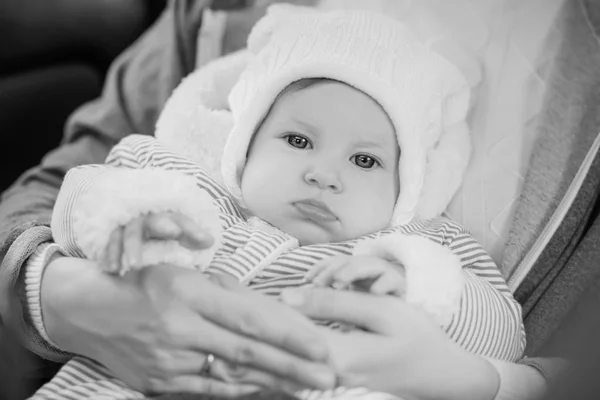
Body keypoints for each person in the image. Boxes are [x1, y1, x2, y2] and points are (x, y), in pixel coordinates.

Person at [0, 0, 598, 399]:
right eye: (297, 140)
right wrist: (121, 230)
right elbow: (81, 187)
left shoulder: (419, 246)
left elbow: (501, 331)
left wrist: (424, 293)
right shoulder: (197, 191)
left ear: (407, 185)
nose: (324, 175)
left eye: (365, 160)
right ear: (244, 146)